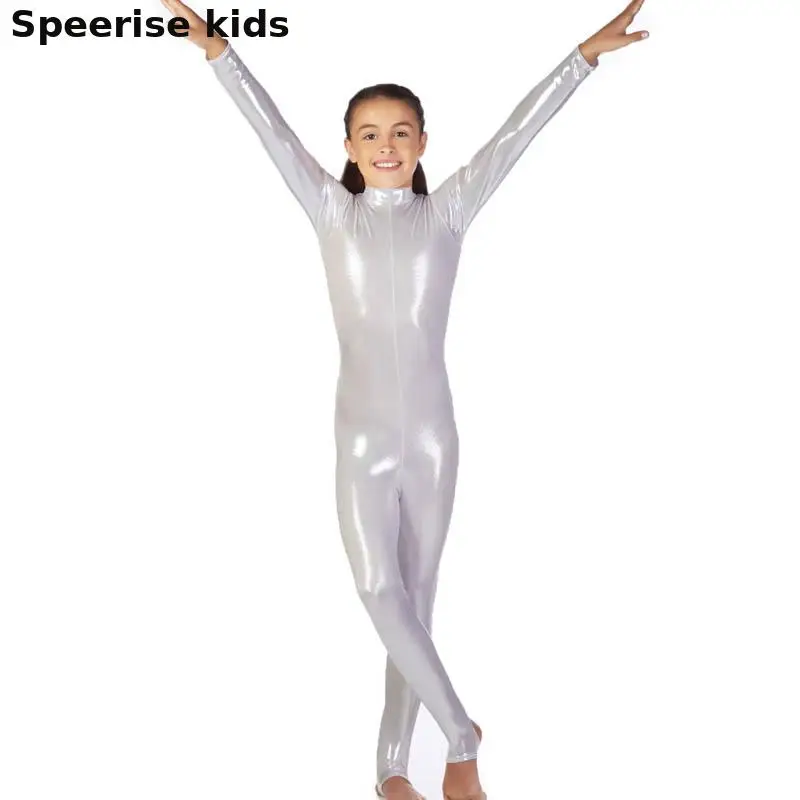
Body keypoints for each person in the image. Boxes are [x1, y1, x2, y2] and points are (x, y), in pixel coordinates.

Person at [159, 1, 649, 797]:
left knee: (413, 603)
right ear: (348, 148)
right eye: (369, 134)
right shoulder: (331, 210)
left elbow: (515, 136)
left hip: (430, 438)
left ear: (422, 142)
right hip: (360, 437)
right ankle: (460, 735)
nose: (385, 146)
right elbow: (268, 127)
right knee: (377, 591)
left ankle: (391, 769)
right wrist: (219, 53)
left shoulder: (447, 211)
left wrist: (582, 58)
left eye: (399, 132)